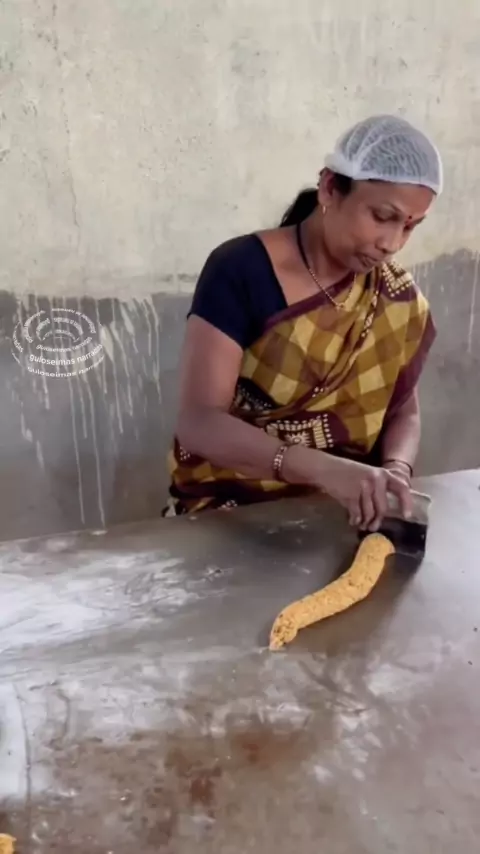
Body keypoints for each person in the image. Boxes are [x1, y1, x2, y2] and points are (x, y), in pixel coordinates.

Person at [163, 115, 442, 533]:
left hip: (345, 512)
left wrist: (395, 472)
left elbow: (403, 410)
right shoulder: (242, 270)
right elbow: (199, 421)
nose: (392, 243)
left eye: (410, 226)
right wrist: (321, 469)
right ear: (330, 187)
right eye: (382, 216)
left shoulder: (395, 296)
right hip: (232, 509)